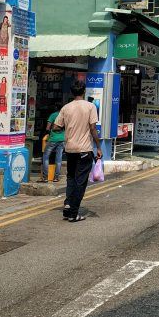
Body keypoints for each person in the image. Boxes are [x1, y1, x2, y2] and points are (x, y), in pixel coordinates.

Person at [53, 80, 102, 222]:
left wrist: (68, 129)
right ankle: (74, 213)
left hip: (70, 149)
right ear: (84, 91)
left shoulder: (66, 108)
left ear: (72, 93)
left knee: (71, 178)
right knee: (81, 182)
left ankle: (68, 204)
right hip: (84, 149)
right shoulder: (90, 107)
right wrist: (98, 147)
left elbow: (56, 127)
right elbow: (93, 128)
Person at [41, 104, 65, 182]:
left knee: (46, 156)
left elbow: (47, 128)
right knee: (58, 159)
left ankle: (45, 177)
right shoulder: (65, 116)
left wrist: (49, 133)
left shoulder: (53, 115)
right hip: (62, 139)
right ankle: (56, 177)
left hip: (53, 139)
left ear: (55, 108)